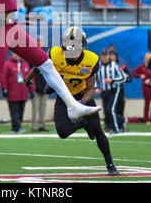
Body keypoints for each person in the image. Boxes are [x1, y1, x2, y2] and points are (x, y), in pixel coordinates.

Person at [24, 27, 119, 176]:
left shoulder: (91, 60)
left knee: (98, 132)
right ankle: (84, 123)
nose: (71, 49)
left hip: (83, 97)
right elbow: (39, 67)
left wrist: (79, 106)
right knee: (62, 132)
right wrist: (28, 79)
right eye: (69, 45)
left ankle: (110, 165)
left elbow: (90, 89)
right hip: (64, 97)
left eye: (75, 45)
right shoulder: (55, 54)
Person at [96, 49, 128, 134]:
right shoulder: (99, 66)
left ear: (108, 56)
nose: (104, 57)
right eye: (102, 55)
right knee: (106, 111)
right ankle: (122, 120)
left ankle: (116, 129)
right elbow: (95, 78)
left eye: (105, 55)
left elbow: (123, 78)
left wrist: (112, 80)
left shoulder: (115, 65)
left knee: (111, 109)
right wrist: (96, 88)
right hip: (104, 91)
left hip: (113, 90)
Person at [2, 53, 32, 133]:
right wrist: (4, 89)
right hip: (12, 93)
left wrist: (31, 90)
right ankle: (17, 127)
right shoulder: (7, 64)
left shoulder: (25, 64)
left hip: (23, 93)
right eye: (15, 54)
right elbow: (3, 77)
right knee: (14, 111)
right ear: (12, 55)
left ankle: (16, 127)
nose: (17, 56)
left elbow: (31, 78)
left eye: (19, 54)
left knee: (21, 111)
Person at [30, 38, 49, 132]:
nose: (39, 44)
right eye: (37, 43)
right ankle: (33, 125)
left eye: (40, 42)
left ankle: (42, 125)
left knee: (43, 106)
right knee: (35, 107)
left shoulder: (46, 55)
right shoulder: (31, 55)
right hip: (35, 86)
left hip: (45, 85)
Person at [132, 52, 151, 124]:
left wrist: (150, 79)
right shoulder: (142, 67)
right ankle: (146, 119)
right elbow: (134, 72)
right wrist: (140, 75)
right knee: (147, 103)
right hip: (146, 88)